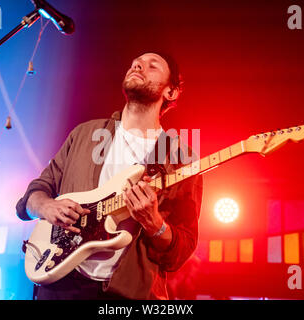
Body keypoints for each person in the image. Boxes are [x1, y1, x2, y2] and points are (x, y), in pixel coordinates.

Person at [16, 52, 203, 300]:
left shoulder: (181, 158)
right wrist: (46, 206)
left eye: (152, 65)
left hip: (127, 295)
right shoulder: (85, 133)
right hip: (61, 284)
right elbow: (34, 193)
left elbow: (180, 252)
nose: (138, 65)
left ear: (171, 92)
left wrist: (154, 223)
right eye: (136, 62)